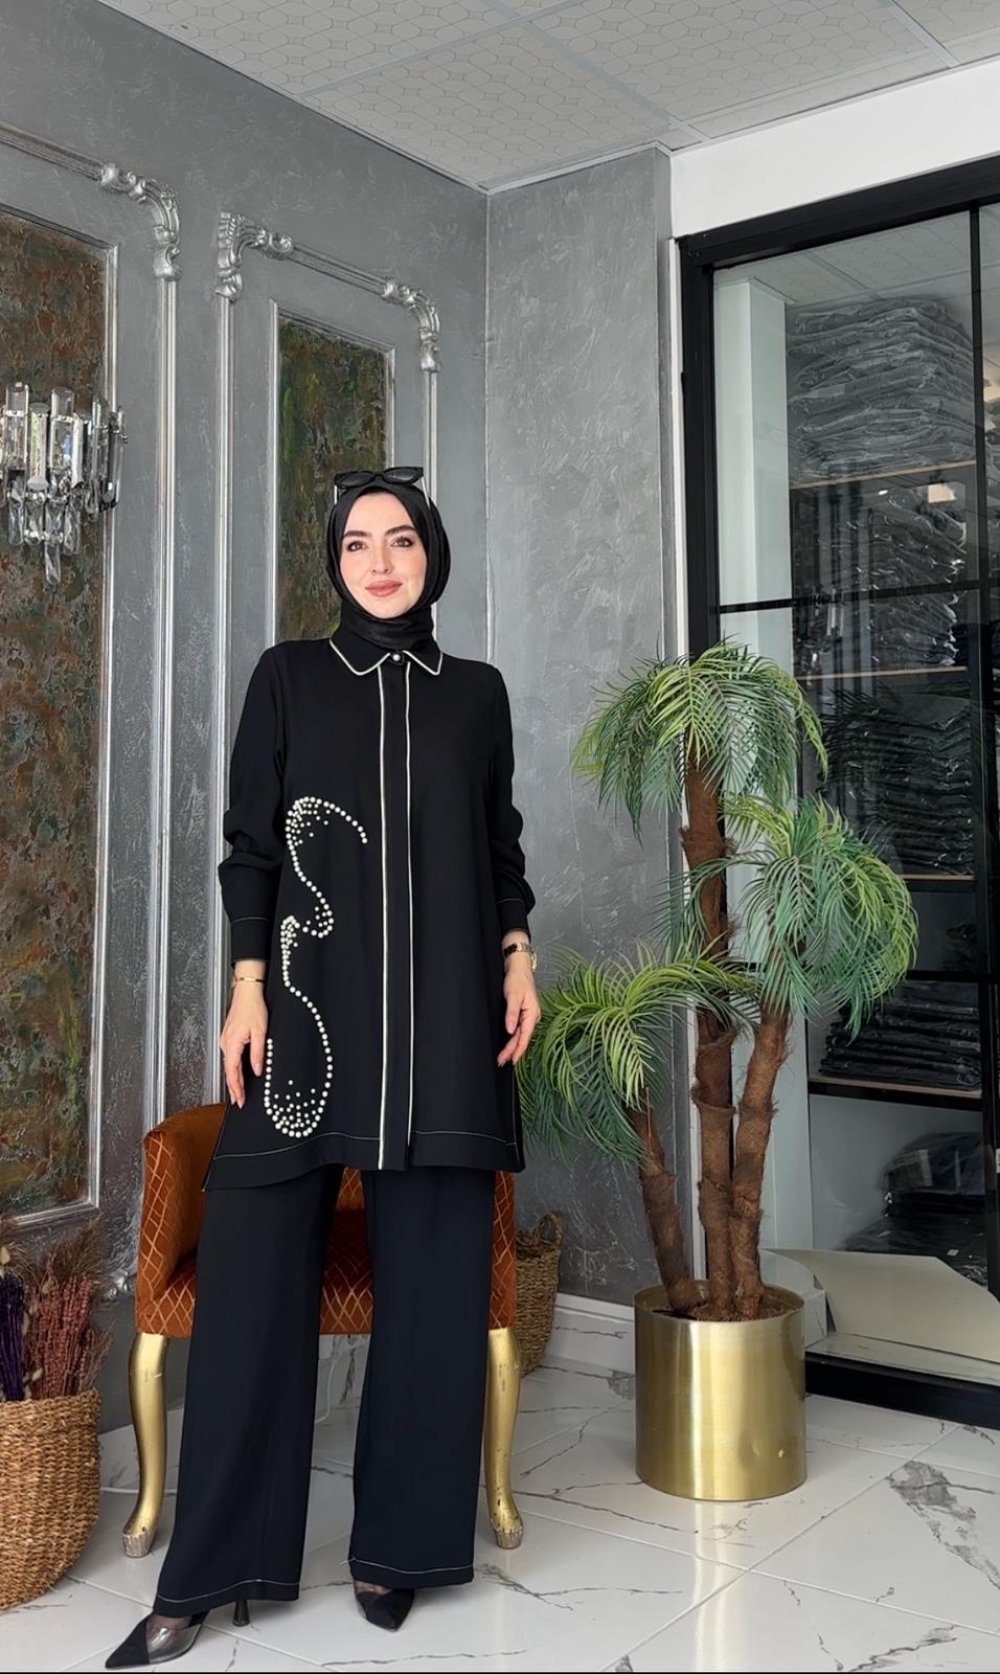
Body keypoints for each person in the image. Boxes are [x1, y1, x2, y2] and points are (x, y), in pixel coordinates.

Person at [107, 466, 540, 1668]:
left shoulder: (476, 695)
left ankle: (396, 1551)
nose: (380, 562)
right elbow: (251, 847)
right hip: (306, 1021)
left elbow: (499, 845)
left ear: (432, 555)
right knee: (250, 1279)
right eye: (358, 544)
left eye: (401, 540)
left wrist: (516, 954)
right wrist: (247, 986)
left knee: (436, 1286)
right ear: (334, 562)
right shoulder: (290, 676)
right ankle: (212, 1570)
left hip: (447, 1028)